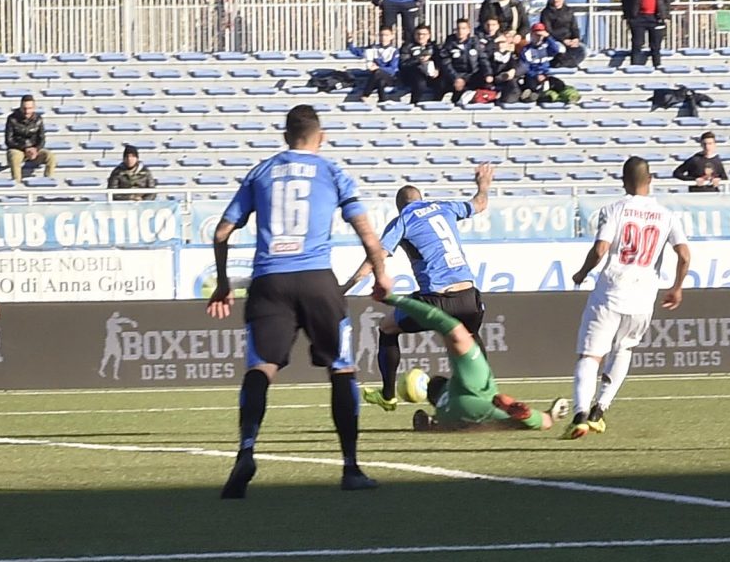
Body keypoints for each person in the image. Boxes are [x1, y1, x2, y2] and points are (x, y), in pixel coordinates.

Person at [206, 104, 393, 498]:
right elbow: (368, 235)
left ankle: (246, 450)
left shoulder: (260, 172)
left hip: (269, 281)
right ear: (320, 137)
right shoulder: (332, 172)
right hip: (316, 280)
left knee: (261, 368)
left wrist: (224, 283)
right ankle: (351, 467)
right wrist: (380, 275)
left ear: (285, 135)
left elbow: (222, 233)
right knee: (341, 368)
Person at [340, 165, 492, 412]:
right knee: (470, 339)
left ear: (400, 205)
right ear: (421, 198)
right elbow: (480, 203)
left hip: (437, 298)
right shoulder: (446, 207)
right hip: (470, 298)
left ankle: (388, 395)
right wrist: (483, 183)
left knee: (386, 328)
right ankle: (485, 395)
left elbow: (375, 258)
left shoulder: (404, 220)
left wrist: (345, 287)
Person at [566, 156, 691, 439]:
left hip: (610, 292)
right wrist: (677, 286)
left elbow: (600, 250)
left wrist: (582, 272)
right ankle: (601, 409)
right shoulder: (666, 215)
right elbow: (684, 255)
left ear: (623, 181)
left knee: (590, 354)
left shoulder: (615, 210)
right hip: (643, 298)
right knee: (624, 350)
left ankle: (581, 414)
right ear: (651, 180)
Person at [380, 293, 568, 433]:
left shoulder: (442, 410)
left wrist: (430, 422)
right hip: (474, 384)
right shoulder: (463, 362)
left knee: (494, 419)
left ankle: (536, 417)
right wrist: (394, 298)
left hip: (452, 410)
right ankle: (539, 417)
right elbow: (442, 322)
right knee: (455, 333)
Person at [5, 94, 57, 185]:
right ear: (20, 107)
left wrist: (36, 149)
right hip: (18, 149)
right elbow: (9, 140)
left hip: (34, 150)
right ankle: (16, 184)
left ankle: (48, 182)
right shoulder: (12, 118)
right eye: (24, 108)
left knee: (50, 156)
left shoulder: (38, 119)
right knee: (14, 156)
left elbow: (42, 139)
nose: (26, 111)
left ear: (33, 108)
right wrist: (25, 148)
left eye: (29, 108)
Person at [437, 18, 492, 104]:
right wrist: (456, 78)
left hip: (472, 75)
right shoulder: (449, 43)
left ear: (468, 30)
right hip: (455, 76)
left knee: (487, 86)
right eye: (458, 29)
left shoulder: (474, 42)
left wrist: (488, 74)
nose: (460, 31)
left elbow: (483, 59)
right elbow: (446, 63)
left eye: (463, 28)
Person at [516, 22, 572, 103]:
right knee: (532, 85)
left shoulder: (547, 47)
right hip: (532, 76)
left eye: (541, 35)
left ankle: (558, 96)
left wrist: (548, 37)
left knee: (559, 84)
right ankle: (532, 95)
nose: (539, 37)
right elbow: (526, 67)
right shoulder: (526, 50)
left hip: (545, 75)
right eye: (536, 34)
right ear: (531, 34)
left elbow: (556, 49)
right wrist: (536, 75)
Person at [346, 25, 400, 102]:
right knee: (380, 81)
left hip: (390, 77)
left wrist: (378, 68)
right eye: (381, 35)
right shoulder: (373, 48)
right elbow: (357, 52)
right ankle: (382, 100)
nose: (384, 38)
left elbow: (393, 70)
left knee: (378, 72)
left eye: (386, 35)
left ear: (392, 36)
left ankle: (366, 94)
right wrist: (350, 41)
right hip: (377, 78)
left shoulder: (394, 51)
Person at [540, 0, 587, 68]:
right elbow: (548, 31)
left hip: (569, 39)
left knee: (584, 50)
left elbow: (574, 27)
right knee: (560, 49)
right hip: (554, 40)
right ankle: (565, 63)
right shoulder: (546, 12)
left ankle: (565, 63)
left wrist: (576, 38)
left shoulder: (569, 11)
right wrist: (563, 40)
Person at [398, 24, 442, 105]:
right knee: (420, 83)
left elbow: (440, 60)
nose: (421, 37)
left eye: (424, 34)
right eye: (418, 34)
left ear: (429, 35)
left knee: (442, 83)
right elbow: (403, 64)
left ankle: (436, 105)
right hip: (412, 74)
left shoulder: (434, 47)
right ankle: (413, 104)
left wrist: (437, 69)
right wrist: (418, 60)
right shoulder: (407, 46)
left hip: (430, 75)